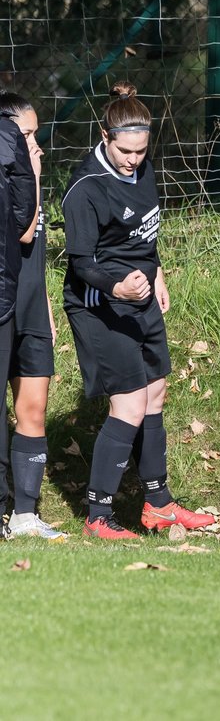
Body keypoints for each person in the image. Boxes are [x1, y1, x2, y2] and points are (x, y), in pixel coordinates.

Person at [63, 81, 213, 538]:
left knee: (155, 393)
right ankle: (98, 516)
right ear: (105, 136)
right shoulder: (86, 188)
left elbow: (144, 235)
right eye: (125, 151)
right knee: (128, 403)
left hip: (141, 298)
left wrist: (158, 270)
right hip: (100, 304)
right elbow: (81, 263)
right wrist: (118, 287)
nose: (134, 159)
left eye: (141, 151)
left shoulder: (143, 170)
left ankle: (158, 504)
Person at [0, 93, 64, 539]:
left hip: (32, 310)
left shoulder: (29, 174)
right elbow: (23, 232)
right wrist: (34, 176)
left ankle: (25, 513)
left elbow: (36, 256)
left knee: (34, 409)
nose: (35, 145)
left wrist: (44, 305)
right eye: (26, 135)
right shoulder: (17, 182)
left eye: (37, 135)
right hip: (5, 309)